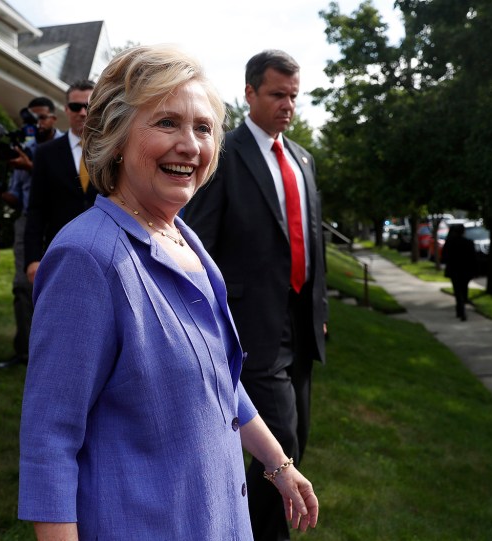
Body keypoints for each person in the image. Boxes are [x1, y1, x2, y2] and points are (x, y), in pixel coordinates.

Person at [18, 45, 319, 540]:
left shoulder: (184, 239)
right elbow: (49, 438)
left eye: (203, 128)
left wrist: (278, 464)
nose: (190, 145)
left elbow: (217, 376)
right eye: (166, 124)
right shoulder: (87, 257)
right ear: (116, 136)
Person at [183, 49, 328, 541]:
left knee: (297, 438)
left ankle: (231, 516)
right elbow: (198, 242)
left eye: (293, 95)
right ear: (250, 93)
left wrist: (319, 311)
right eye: (276, 94)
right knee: (280, 443)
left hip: (301, 325)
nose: (287, 104)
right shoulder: (227, 152)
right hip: (250, 325)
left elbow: (313, 242)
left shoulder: (303, 158)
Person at [0, 96, 63, 370]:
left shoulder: (68, 148)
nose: (36, 124)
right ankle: (25, 351)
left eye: (42, 118)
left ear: (54, 118)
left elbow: (68, 189)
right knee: (23, 286)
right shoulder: (24, 148)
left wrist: (31, 167)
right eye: (31, 120)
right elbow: (17, 196)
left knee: (62, 284)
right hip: (27, 223)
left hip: (61, 221)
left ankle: (59, 350)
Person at [23, 80, 97, 285]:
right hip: (60, 249)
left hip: (106, 249)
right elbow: (36, 208)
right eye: (76, 106)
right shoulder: (46, 153)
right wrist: (32, 259)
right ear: (66, 109)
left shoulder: (114, 151)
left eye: (88, 106)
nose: (82, 112)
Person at [441, 223, 477, 322]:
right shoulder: (469, 243)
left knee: (457, 291)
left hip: (454, 271)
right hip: (466, 271)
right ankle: (461, 308)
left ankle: (460, 310)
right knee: (463, 289)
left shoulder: (450, 243)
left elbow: (444, 256)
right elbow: (473, 258)